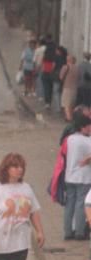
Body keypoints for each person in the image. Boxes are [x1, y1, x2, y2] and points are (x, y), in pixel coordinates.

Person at [64, 112, 91, 240]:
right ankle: (79, 232)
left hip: (69, 176)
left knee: (70, 205)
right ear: (83, 127)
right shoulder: (87, 141)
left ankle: (68, 232)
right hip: (83, 178)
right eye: (89, 126)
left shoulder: (70, 139)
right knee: (81, 205)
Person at [61, 53, 79, 121]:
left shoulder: (65, 67)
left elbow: (61, 77)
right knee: (72, 104)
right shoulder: (77, 68)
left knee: (66, 104)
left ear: (69, 60)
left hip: (66, 87)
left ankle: (69, 118)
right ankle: (70, 116)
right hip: (75, 88)